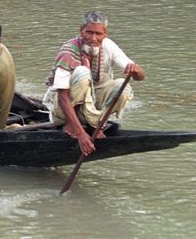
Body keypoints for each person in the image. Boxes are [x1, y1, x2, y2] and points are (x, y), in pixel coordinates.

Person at [43, 10, 146, 155]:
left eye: (98, 34)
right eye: (89, 32)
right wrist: (80, 134)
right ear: (81, 31)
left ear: (105, 34)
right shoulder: (68, 51)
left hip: (92, 105)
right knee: (82, 73)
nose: (93, 38)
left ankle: (96, 125)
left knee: (122, 86)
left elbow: (139, 77)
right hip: (63, 109)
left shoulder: (108, 46)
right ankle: (72, 125)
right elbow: (63, 96)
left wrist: (136, 71)